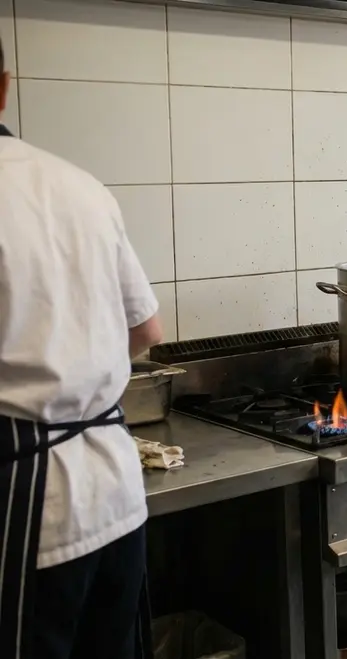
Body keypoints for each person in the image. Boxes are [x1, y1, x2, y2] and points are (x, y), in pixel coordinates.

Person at [0, 35, 164, 658]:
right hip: (115, 492)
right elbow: (147, 332)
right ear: (5, 87)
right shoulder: (79, 185)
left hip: (31, 508)